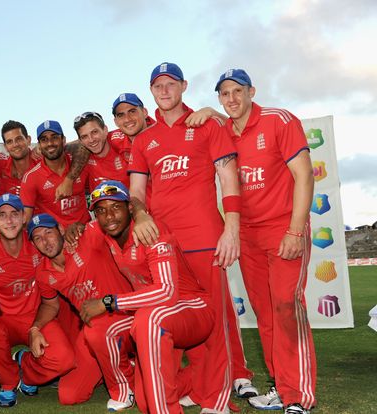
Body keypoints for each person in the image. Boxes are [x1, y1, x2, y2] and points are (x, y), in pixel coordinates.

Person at [128, 62, 256, 405]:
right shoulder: (144, 139)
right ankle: (200, 384)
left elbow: (229, 180)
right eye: (158, 86)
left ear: (183, 86)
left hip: (205, 238)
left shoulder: (206, 124)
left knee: (215, 320)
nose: (165, 91)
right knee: (183, 319)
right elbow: (136, 192)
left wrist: (231, 228)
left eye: (171, 84)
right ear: (151, 91)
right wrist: (139, 214)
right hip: (166, 246)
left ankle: (220, 395)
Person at [70, 181, 227, 413]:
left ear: (129, 209)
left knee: (147, 320)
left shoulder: (149, 229)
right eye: (100, 210)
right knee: (144, 400)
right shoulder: (104, 230)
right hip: (155, 309)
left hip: (192, 306)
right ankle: (199, 379)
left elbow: (167, 291)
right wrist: (72, 227)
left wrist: (108, 302)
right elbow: (80, 230)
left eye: (115, 207)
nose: (108, 216)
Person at [215, 69, 316, 414]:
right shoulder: (223, 132)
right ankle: (282, 387)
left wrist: (295, 230)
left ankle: (298, 396)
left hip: (283, 229)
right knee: (267, 315)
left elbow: (304, 174)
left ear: (252, 91)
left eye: (237, 91)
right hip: (248, 237)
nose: (232, 99)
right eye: (224, 93)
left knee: (288, 307)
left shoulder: (279, 121)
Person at [0, 194, 74, 407]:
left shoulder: (37, 244)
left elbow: (60, 245)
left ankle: (23, 367)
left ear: (24, 217)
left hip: (34, 317)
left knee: (65, 360)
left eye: (14, 214)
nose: (9, 221)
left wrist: (76, 230)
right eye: (2, 215)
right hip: (2, 319)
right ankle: (8, 383)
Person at [28, 213, 135, 411]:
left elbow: (112, 221)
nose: (45, 241)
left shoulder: (84, 238)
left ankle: (123, 384)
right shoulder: (43, 272)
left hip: (126, 316)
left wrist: (80, 225)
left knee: (97, 331)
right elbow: (50, 305)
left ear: (61, 229)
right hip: (94, 330)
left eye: (48, 232)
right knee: (69, 395)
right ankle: (119, 365)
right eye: (38, 238)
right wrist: (35, 329)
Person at [20, 120, 91, 227]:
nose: (50, 143)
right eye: (44, 140)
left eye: (54, 137)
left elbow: (85, 143)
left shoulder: (79, 164)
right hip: (56, 238)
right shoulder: (31, 177)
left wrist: (69, 180)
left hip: (86, 230)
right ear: (39, 145)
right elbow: (25, 221)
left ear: (63, 140)